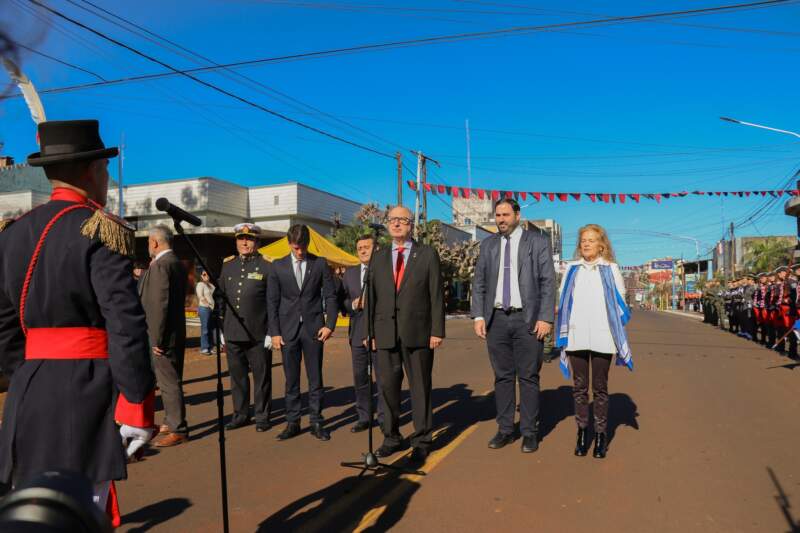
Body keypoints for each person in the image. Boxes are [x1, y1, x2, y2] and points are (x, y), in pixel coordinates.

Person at [0, 120, 155, 526]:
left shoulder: (11, 235)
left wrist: (29, 376)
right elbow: (125, 324)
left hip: (27, 392)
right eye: (104, 170)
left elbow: (4, 328)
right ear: (93, 171)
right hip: (86, 392)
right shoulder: (101, 228)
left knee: (34, 512)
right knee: (79, 512)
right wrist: (137, 404)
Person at [471, 198, 556, 453]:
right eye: (497, 215)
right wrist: (478, 316)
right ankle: (505, 429)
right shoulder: (488, 245)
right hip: (496, 319)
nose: (501, 220)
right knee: (503, 377)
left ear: (517, 215)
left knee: (528, 377)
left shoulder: (537, 242)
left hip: (527, 320)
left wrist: (545, 317)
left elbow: (547, 282)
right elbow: (479, 283)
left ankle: (530, 432)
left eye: (506, 214)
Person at [365, 206, 445, 462]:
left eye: (402, 220)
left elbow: (436, 295)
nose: (397, 224)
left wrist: (437, 330)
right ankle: (391, 437)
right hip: (385, 332)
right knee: (387, 388)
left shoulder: (427, 254)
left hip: (419, 333)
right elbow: (372, 299)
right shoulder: (377, 257)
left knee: (420, 388)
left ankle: (422, 439)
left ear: (412, 225)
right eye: (393, 220)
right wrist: (370, 332)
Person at [555, 224, 632, 459]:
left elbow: (620, 302)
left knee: (600, 388)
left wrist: (611, 326)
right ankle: (581, 431)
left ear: (601, 244)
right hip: (577, 335)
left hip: (602, 336)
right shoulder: (572, 268)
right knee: (579, 388)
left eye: (591, 240)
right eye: (583, 240)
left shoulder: (610, 269)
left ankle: (600, 435)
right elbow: (563, 298)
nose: (586, 244)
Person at [267, 224, 338, 441]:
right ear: (289, 244)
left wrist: (330, 324)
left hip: (314, 329)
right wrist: (275, 332)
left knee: (315, 378)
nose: (300, 252)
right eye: (296, 247)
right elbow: (272, 302)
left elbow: (331, 296)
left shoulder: (319, 264)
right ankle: (293, 422)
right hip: (287, 331)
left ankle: (316, 421)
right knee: (291, 380)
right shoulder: (277, 266)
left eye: (303, 247)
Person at [218, 223, 273, 432]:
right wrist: (220, 328)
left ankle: (262, 416)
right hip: (232, 332)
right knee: (237, 377)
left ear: (257, 242)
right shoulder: (227, 265)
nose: (244, 242)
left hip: (258, 332)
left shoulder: (267, 265)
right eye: (241, 238)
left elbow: (272, 301)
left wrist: (272, 331)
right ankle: (240, 414)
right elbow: (220, 298)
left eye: (249, 239)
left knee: (262, 377)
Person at [140, 224, 188, 447]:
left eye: (149, 242)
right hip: (175, 332)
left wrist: (157, 339)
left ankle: (178, 429)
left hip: (162, 335)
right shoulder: (175, 263)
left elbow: (160, 304)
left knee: (168, 382)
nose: (148, 246)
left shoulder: (161, 265)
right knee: (172, 378)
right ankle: (170, 421)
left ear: (155, 242)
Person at [341, 234, 384, 432]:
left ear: (375, 249)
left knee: (383, 379)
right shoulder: (349, 274)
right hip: (357, 334)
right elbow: (342, 301)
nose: (363, 250)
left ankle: (385, 418)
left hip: (380, 335)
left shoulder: (384, 271)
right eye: (360, 248)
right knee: (361, 378)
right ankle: (364, 417)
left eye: (367, 247)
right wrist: (352, 304)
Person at [196, 269, 215, 355]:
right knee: (205, 329)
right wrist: (208, 305)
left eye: (207, 274)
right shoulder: (200, 284)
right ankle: (204, 348)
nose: (206, 276)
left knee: (211, 329)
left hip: (212, 309)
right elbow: (200, 296)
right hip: (205, 309)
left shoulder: (211, 285)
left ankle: (210, 347)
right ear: (201, 276)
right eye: (204, 274)